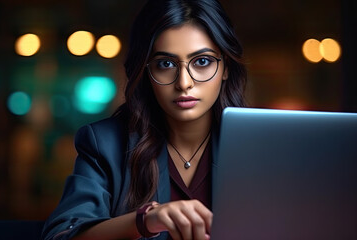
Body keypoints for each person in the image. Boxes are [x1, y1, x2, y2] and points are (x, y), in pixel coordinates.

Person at [42, 0, 247, 239]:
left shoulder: (257, 146)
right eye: (165, 64)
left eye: (202, 61)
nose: (184, 83)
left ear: (226, 69)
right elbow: (62, 235)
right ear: (146, 71)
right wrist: (146, 220)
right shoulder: (105, 144)